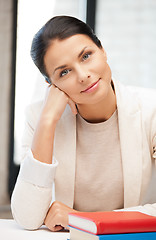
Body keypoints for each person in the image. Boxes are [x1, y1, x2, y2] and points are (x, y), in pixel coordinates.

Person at [11, 15, 156, 231]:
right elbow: (27, 217)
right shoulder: (38, 117)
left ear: (103, 50)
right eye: (64, 72)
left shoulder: (151, 108)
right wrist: (48, 120)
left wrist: (82, 219)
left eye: (86, 56)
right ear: (51, 84)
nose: (83, 75)